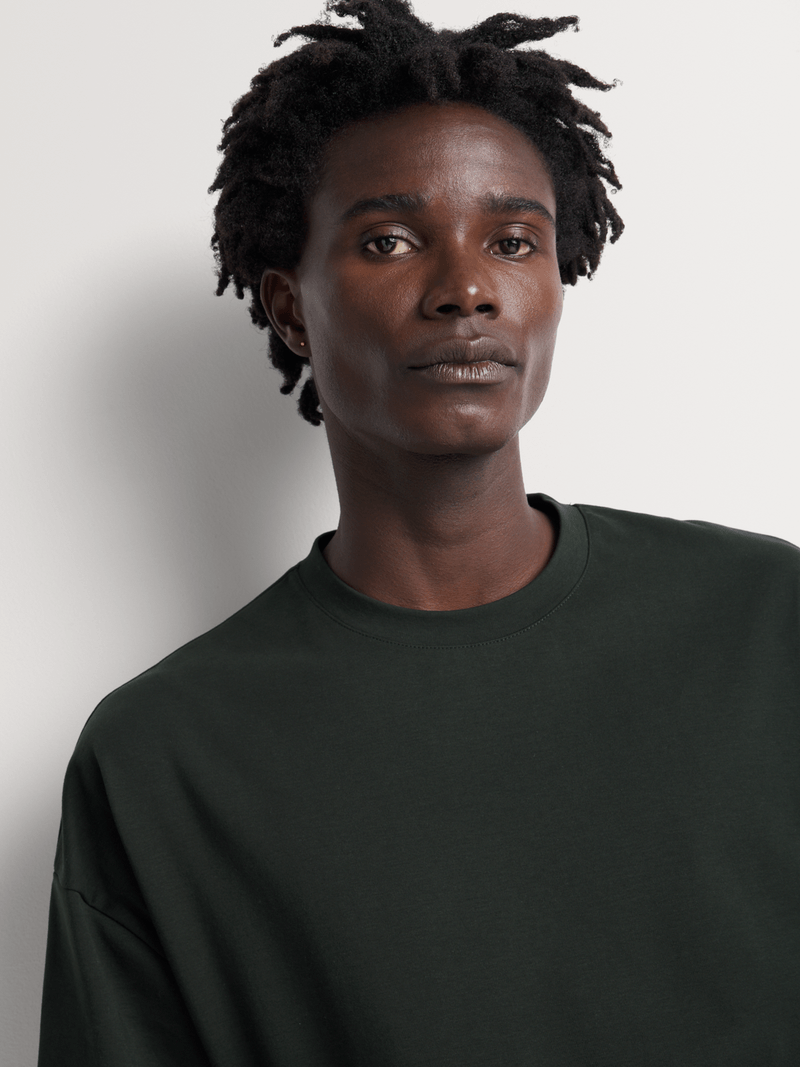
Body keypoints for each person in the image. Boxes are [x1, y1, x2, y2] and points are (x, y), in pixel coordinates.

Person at [38, 1, 800, 1064]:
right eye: (388, 241)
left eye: (512, 241)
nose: (466, 290)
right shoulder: (162, 758)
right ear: (290, 309)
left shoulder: (764, 624)